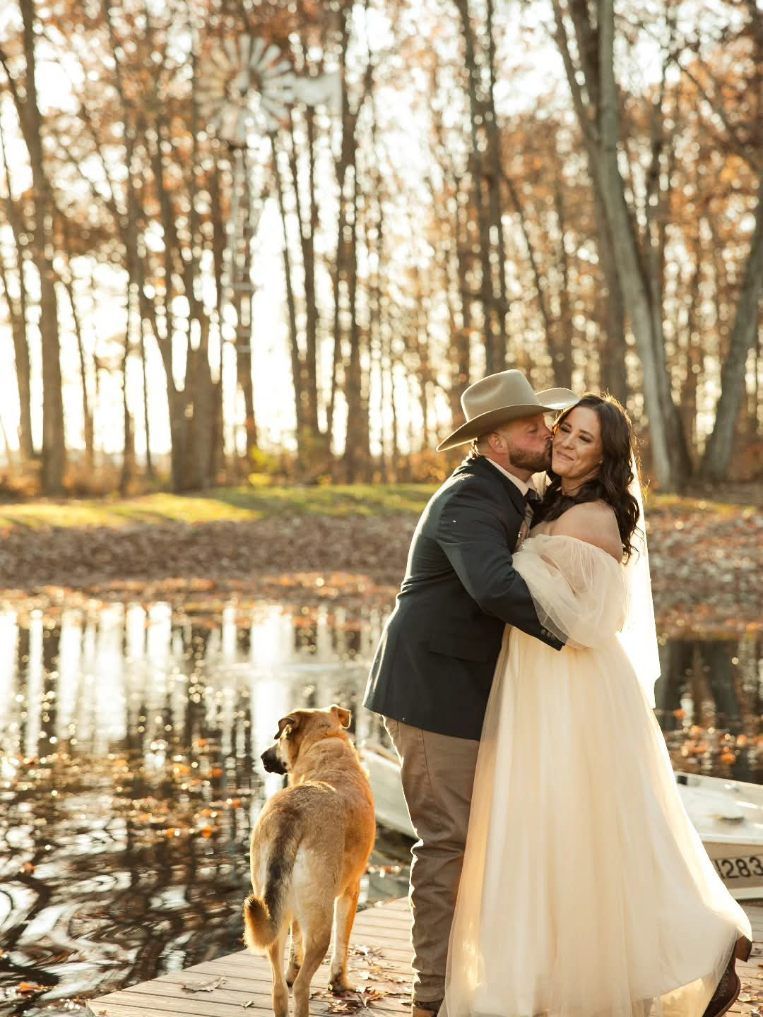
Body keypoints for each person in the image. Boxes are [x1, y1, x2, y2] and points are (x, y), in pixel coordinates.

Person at [442, 393, 752, 1017]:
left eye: (585, 439)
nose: (566, 442)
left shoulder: (596, 517)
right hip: (538, 680)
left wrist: (508, 576)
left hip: (573, 686)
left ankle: (704, 945)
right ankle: (556, 971)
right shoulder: (551, 501)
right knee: (552, 826)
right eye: (564, 430)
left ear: (605, 456)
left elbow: (588, 621)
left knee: (586, 825)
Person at [363, 369, 578, 1017]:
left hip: (479, 694)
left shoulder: (516, 491)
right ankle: (431, 997)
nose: (547, 433)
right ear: (490, 440)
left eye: (545, 422)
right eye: (530, 426)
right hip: (432, 696)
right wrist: (578, 634)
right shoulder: (467, 499)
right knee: (448, 842)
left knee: (490, 839)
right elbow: (490, 585)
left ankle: (482, 977)